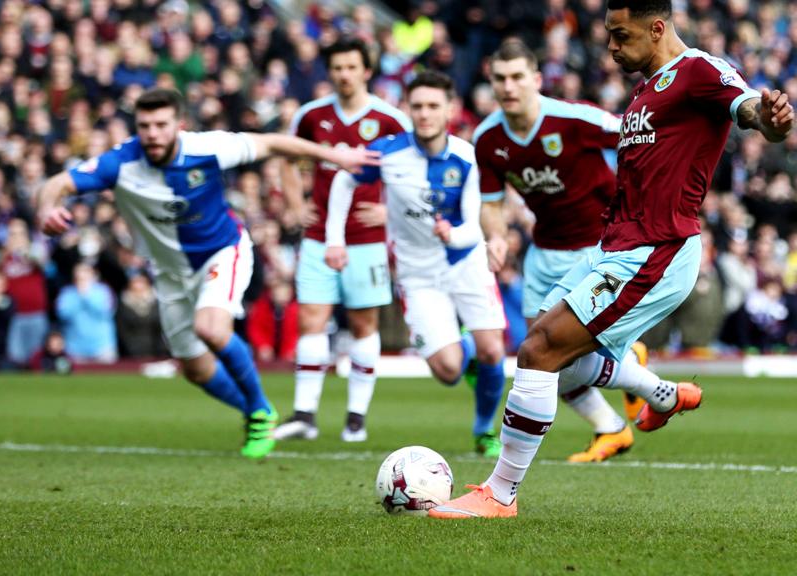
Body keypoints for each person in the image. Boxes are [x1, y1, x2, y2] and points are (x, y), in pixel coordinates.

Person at [430, 0, 793, 519]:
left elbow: (751, 109)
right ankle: (663, 395)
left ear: (658, 28)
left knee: (538, 351)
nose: (611, 47)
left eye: (620, 36)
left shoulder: (699, 71)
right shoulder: (645, 88)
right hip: (615, 246)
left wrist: (772, 120)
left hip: (657, 250)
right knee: (560, 355)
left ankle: (500, 493)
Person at [36, 87, 380, 459]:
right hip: (169, 273)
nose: (153, 133)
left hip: (222, 253)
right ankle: (252, 411)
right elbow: (57, 184)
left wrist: (333, 156)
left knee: (212, 328)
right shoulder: (120, 163)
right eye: (145, 125)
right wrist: (45, 210)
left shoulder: (207, 148)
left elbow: (272, 143)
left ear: (179, 125)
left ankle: (262, 410)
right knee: (196, 371)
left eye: (162, 125)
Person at [473, 39, 674, 463]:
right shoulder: (488, 138)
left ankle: (639, 381)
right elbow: (490, 203)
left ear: (536, 79)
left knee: (557, 353)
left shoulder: (574, 119)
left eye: (516, 77)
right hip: (544, 251)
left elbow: (638, 134)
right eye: (499, 79)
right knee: (537, 357)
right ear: (490, 83)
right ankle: (612, 428)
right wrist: (494, 235)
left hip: (599, 247)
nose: (508, 87)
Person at [323, 70, 508, 458]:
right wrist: (335, 238)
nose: (425, 114)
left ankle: (483, 430)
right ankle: (463, 353)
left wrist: (452, 235)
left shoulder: (468, 157)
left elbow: (474, 222)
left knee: (494, 350)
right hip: (418, 274)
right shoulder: (388, 152)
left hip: (465, 263)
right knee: (448, 371)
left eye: (433, 106)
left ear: (450, 110)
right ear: (408, 109)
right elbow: (344, 181)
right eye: (418, 106)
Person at [276, 37, 411, 443]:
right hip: (318, 236)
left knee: (362, 324)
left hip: (367, 237)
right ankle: (305, 415)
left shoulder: (389, 119)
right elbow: (288, 157)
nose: (344, 75)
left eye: (352, 67)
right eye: (337, 68)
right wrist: (296, 205)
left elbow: (415, 170)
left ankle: (356, 417)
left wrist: (392, 212)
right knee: (311, 321)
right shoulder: (312, 115)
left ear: (366, 70)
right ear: (329, 72)